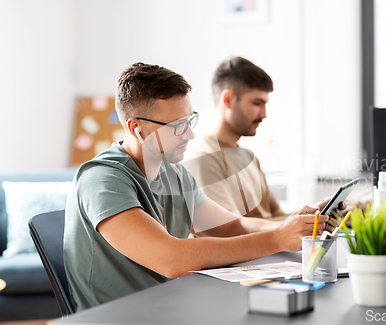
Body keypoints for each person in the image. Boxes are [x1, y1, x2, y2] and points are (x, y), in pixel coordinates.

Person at [64, 62, 337, 311]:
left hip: (172, 305)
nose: (190, 134)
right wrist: (276, 239)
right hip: (123, 316)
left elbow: (231, 226)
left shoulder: (173, 173)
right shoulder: (102, 180)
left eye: (189, 120)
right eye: (178, 126)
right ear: (136, 128)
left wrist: (295, 223)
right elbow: (172, 259)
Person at [183, 57, 289, 219]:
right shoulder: (204, 158)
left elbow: (277, 218)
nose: (264, 114)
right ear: (228, 100)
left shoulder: (249, 158)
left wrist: (318, 216)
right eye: (256, 103)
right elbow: (231, 232)